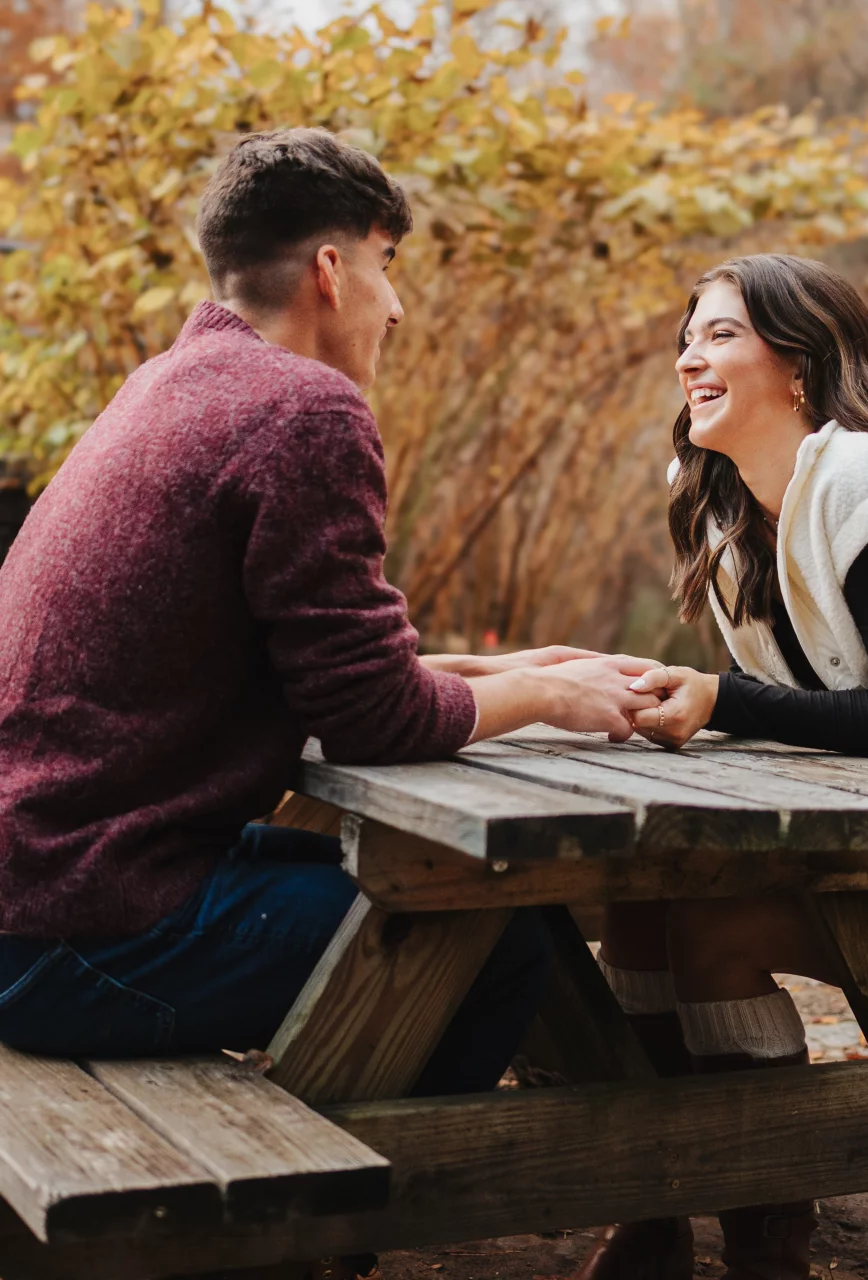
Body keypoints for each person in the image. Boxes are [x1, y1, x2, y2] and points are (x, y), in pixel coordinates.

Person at [0, 128, 662, 1280]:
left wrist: (506, 672)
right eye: (388, 262)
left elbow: (324, 662)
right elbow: (370, 718)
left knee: (443, 898)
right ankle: (297, 1234)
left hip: (48, 882)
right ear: (329, 270)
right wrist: (548, 691)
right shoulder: (303, 411)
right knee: (490, 938)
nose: (396, 307)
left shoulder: (172, 384)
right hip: (70, 931)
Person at [572, 253, 868, 1280]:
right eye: (686, 335)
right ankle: (658, 1210)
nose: (690, 354)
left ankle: (762, 1240)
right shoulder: (733, 519)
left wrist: (720, 699)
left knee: (717, 928)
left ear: (800, 363)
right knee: (644, 907)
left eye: (721, 332)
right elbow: (814, 721)